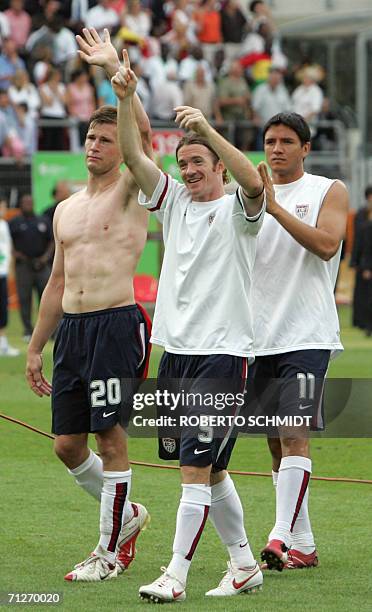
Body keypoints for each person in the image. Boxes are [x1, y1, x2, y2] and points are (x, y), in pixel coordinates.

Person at [111, 51, 266, 602]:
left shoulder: (238, 212)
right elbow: (133, 154)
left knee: (195, 470)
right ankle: (245, 564)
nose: (191, 168)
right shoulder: (174, 202)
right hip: (174, 354)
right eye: (184, 160)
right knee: (211, 469)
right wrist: (126, 96)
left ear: (219, 165)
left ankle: (175, 574)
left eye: (200, 160)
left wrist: (208, 129)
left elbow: (253, 181)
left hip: (223, 355)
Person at [25, 28, 153, 583]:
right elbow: (55, 282)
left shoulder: (129, 187)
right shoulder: (67, 210)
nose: (98, 146)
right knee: (66, 445)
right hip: (72, 333)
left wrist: (117, 79)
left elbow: (142, 138)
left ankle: (106, 552)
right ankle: (128, 516)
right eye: (92, 139)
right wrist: (35, 348)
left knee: (112, 439)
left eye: (107, 139)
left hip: (115, 324)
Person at [250, 112, 349, 570]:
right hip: (256, 336)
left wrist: (275, 208)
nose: (277, 148)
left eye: (287, 141)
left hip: (307, 332)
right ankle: (303, 544)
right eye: (270, 140)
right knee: (274, 443)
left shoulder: (328, 190)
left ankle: (278, 536)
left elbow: (328, 245)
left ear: (305, 148)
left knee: (294, 434)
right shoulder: (249, 194)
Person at [9, 194, 54, 341]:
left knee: (47, 298)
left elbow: (52, 241)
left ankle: (50, 330)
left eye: (30, 202)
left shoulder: (43, 220)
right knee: (24, 298)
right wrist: (16, 254)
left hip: (41, 264)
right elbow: (7, 242)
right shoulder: (14, 223)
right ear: (21, 204)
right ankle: (28, 330)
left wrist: (45, 258)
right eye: (25, 202)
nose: (28, 204)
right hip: (23, 266)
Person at [0, 193, 20, 356]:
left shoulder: (4, 225)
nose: (4, 209)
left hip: (2, 273)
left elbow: (8, 249)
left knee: (3, 309)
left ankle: (3, 344)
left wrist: (10, 268)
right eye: (2, 206)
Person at [350, 185, 372, 333]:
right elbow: (358, 238)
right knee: (362, 293)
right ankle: (361, 322)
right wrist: (356, 261)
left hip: (368, 261)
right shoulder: (362, 214)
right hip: (364, 259)